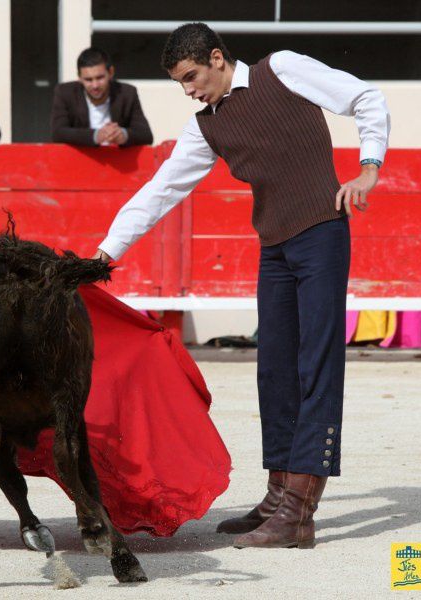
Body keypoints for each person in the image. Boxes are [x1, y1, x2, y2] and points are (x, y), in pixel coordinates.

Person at [93, 23, 390, 549]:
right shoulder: (205, 126)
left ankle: (299, 512)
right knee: (274, 368)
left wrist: (368, 168)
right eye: (180, 83)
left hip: (322, 232)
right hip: (275, 247)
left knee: (315, 364)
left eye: (192, 77)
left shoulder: (284, 69)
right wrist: (105, 254)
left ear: (216, 57)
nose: (189, 90)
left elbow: (365, 96)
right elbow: (159, 191)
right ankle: (278, 495)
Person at [51, 47, 152, 147]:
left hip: (117, 161)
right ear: (79, 78)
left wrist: (123, 135)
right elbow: (57, 133)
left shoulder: (127, 93)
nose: (95, 85)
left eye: (100, 78)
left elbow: (146, 135)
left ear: (111, 72)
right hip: (78, 161)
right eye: (88, 80)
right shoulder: (65, 92)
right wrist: (96, 135)